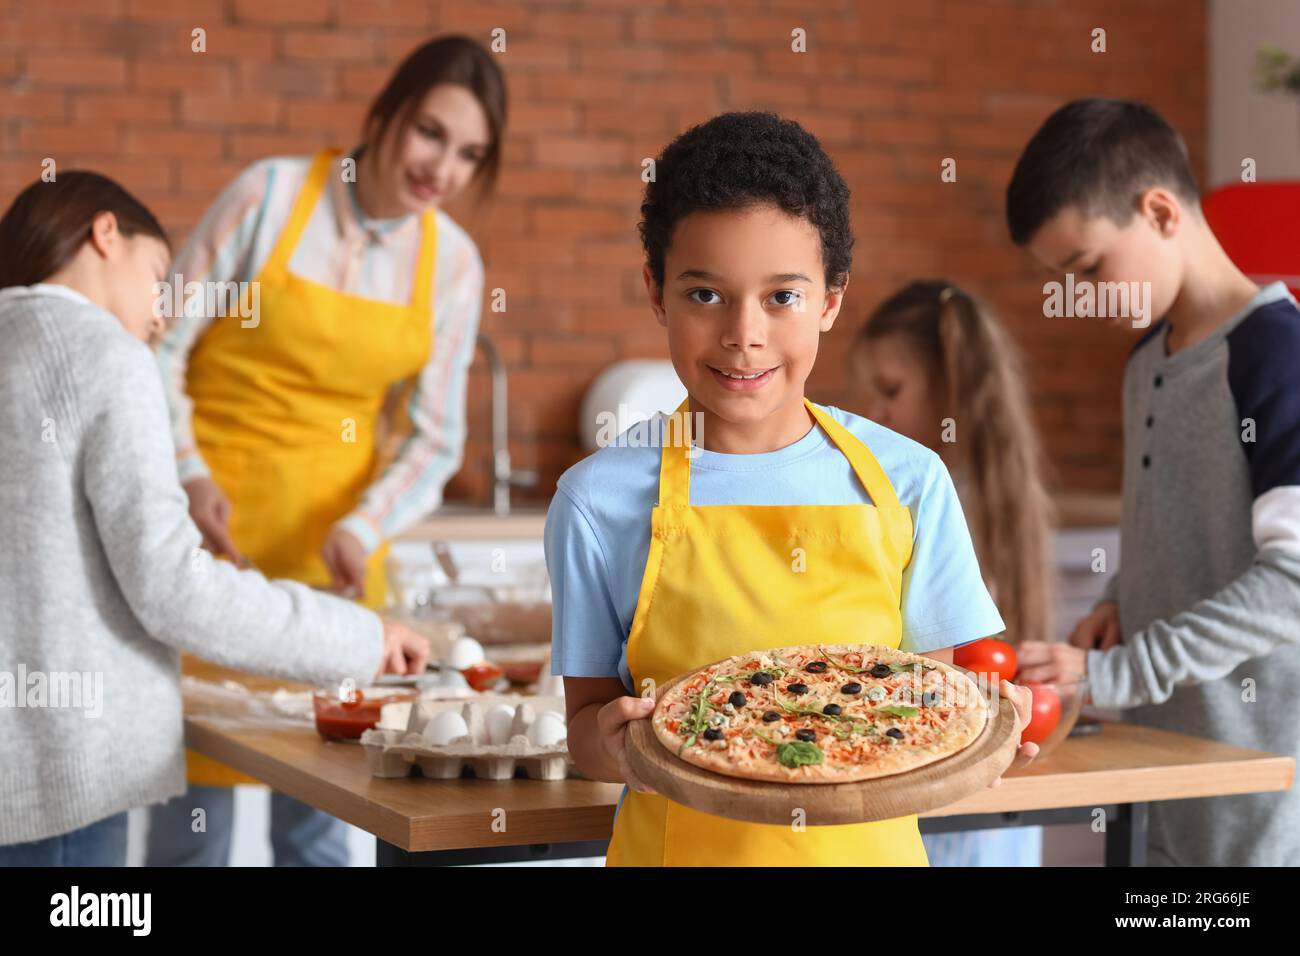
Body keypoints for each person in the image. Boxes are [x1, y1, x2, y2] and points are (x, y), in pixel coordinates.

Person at [544, 111, 1037, 867]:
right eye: (705, 294)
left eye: (783, 296)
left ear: (832, 300)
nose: (745, 332)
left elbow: (930, 702)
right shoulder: (596, 500)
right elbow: (584, 723)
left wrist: (989, 733)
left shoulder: (908, 480)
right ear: (656, 292)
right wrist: (612, 747)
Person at [147, 34, 505, 866]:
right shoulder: (267, 196)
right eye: (429, 133)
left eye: (469, 154)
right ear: (384, 116)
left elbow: (435, 436)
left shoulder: (452, 263)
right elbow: (160, 345)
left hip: (335, 560)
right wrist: (188, 476)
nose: (441, 168)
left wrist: (365, 526)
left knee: (321, 818)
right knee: (192, 824)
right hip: (206, 544)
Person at [0, 172, 427, 866]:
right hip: (61, 782)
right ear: (104, 234)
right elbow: (173, 587)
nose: (163, 316)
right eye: (158, 275)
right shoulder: (109, 355)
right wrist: (360, 639)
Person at [1007, 98, 1300, 866]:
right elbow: (1183, 531)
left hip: (1263, 801)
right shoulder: (1146, 364)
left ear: (1161, 211)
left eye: (1090, 269)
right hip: (1156, 777)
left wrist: (1115, 672)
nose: (1082, 298)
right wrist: (1120, 603)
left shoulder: (1278, 358)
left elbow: (1293, 583)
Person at [850, 279, 1055, 866]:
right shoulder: (999, 489)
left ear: (951, 388)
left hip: (949, 767)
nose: (876, 413)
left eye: (890, 390)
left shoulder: (928, 501)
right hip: (971, 767)